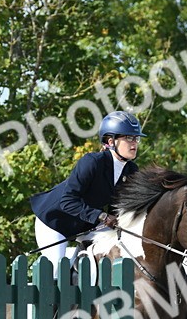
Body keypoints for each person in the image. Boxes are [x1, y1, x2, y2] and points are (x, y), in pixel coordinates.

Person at [29, 110, 142, 275]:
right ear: (111, 141)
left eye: (136, 138)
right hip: (54, 221)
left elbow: (117, 206)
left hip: (85, 223)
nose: (134, 143)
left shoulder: (131, 170)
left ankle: (81, 271)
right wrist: (102, 216)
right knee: (56, 270)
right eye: (129, 138)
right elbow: (68, 201)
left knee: (117, 243)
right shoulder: (92, 162)